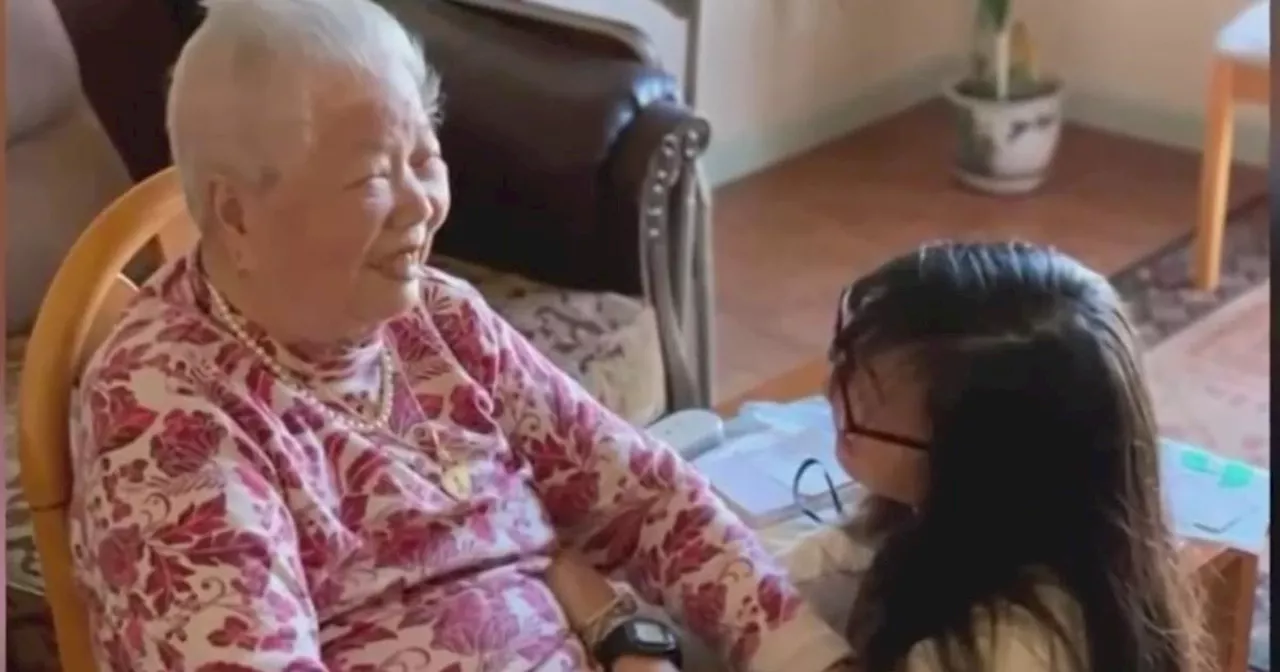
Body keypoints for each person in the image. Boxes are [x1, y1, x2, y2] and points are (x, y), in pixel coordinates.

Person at [67, 0, 855, 670]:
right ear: (237, 216)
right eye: (375, 177)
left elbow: (643, 499)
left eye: (425, 157)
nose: (422, 206)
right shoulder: (168, 423)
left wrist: (806, 654)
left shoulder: (436, 319)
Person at [780, 241, 1211, 671]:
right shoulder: (1001, 524)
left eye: (863, 399)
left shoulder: (1005, 649)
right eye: (845, 361)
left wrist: (774, 630)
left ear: (970, 468)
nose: (828, 392)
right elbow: (857, 547)